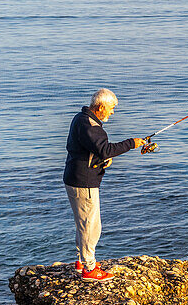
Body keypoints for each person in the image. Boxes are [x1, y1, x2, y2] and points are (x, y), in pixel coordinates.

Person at [63, 89, 147, 280]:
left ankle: (82, 261)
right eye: (111, 108)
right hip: (83, 182)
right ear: (100, 107)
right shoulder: (90, 125)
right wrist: (131, 143)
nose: (112, 112)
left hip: (76, 177)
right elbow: (105, 148)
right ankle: (89, 269)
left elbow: (88, 149)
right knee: (91, 226)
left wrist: (101, 159)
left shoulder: (81, 117)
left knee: (83, 223)